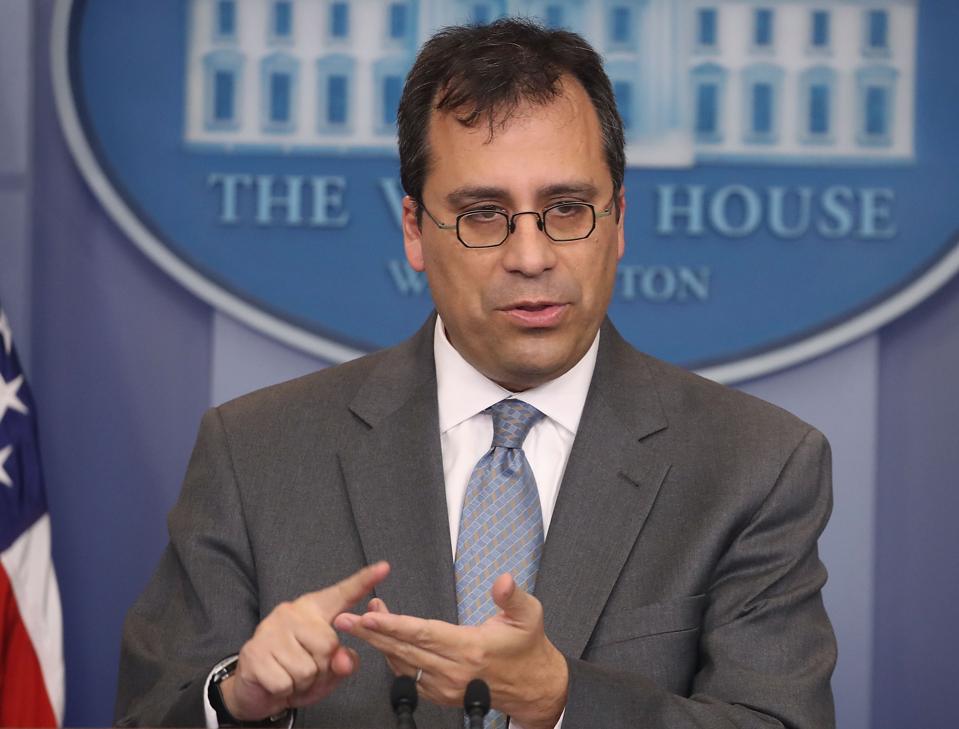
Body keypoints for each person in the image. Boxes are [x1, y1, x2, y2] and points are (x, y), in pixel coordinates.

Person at [115, 19, 836, 729]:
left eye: (566, 209)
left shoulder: (753, 464)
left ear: (617, 221)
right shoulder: (255, 452)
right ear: (413, 230)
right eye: (484, 214)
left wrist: (561, 698)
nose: (530, 254)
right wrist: (234, 704)